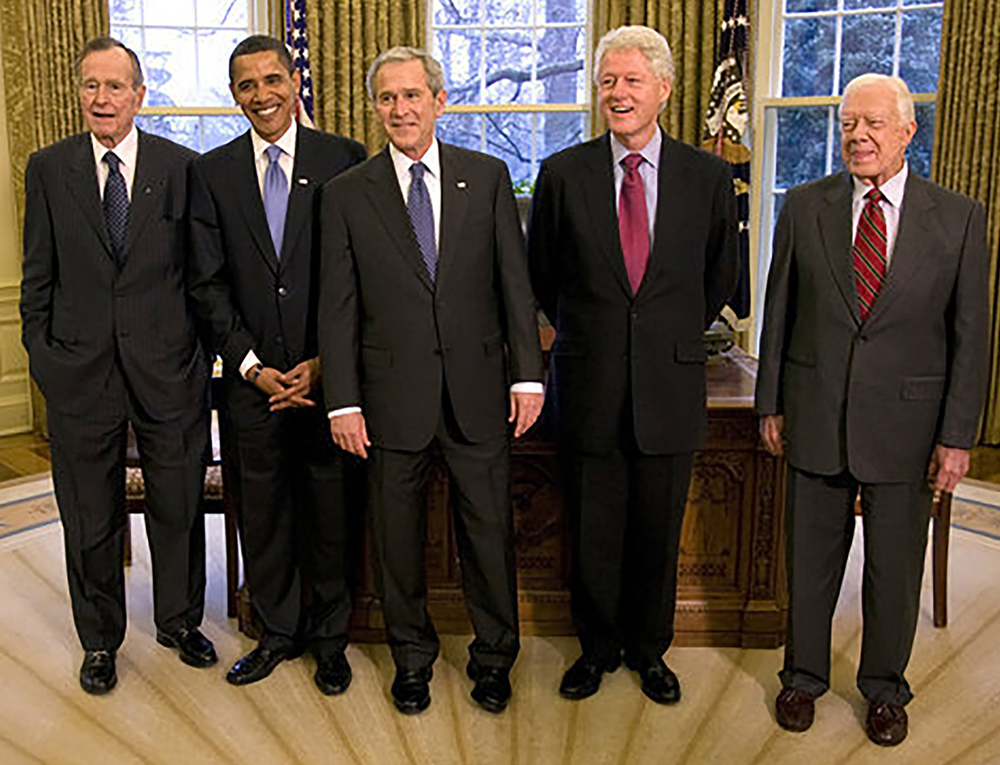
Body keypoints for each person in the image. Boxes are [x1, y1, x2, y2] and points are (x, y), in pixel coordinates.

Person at [755, 73, 988, 746]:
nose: (858, 136)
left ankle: (885, 688)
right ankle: (801, 675)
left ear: (908, 131)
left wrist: (955, 435)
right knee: (811, 560)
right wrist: (770, 400)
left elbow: (970, 336)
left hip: (908, 428)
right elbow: (781, 314)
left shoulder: (959, 217)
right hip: (815, 412)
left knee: (893, 567)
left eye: (874, 124)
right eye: (848, 124)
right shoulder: (805, 206)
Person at [318, 46, 544, 715]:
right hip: (388, 399)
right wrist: (343, 401)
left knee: (488, 533)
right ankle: (411, 658)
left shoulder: (488, 175)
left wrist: (527, 376)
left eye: (412, 95)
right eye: (387, 98)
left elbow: (514, 284)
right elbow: (338, 305)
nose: (400, 109)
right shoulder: (347, 194)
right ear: (376, 107)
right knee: (396, 542)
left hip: (479, 392)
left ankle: (495, 657)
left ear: (440, 101)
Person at [527, 25, 738, 705]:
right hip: (587, 385)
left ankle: (649, 650)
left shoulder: (709, 177)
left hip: (668, 386)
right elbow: (543, 275)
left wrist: (661, 332)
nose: (618, 93)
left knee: (655, 532)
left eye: (632, 80)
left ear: (664, 89)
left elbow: (718, 279)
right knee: (591, 531)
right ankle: (595, 648)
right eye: (608, 81)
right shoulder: (563, 174)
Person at [20, 37, 215, 694]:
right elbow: (37, 275)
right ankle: (99, 639)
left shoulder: (183, 167)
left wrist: (197, 361)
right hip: (81, 375)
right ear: (79, 93)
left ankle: (179, 620)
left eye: (115, 86)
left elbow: (201, 276)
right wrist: (47, 359)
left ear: (139, 94)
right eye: (90, 85)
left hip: (170, 371)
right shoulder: (49, 169)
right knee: (89, 512)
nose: (101, 98)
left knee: (177, 502)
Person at [187, 35, 367, 694]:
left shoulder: (343, 159)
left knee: (330, 510)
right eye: (246, 85)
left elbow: (354, 275)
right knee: (262, 511)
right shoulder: (211, 172)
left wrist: (323, 362)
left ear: (294, 81)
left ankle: (330, 638)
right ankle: (277, 632)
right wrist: (252, 364)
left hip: (327, 379)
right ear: (233, 94)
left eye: (271, 79)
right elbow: (205, 284)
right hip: (250, 382)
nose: (261, 94)